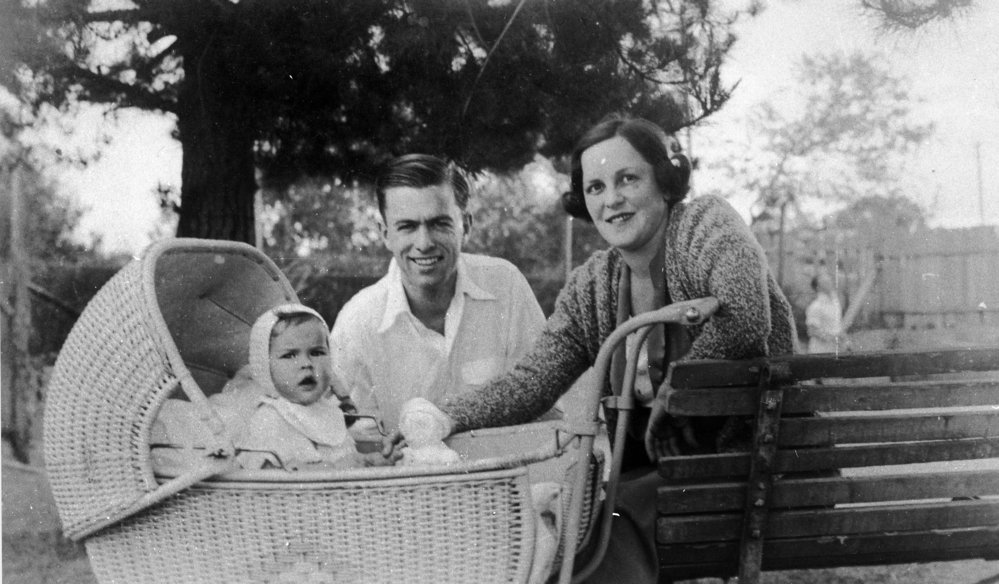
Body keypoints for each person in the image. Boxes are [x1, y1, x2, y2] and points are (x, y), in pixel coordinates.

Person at [394, 114, 797, 583]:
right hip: (661, 484)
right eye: (596, 187)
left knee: (600, 535)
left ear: (664, 182)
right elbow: (532, 382)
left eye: (628, 178)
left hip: (753, 470)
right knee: (564, 532)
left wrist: (673, 395)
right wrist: (445, 417)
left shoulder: (706, 225)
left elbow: (745, 317)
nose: (612, 200)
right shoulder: (594, 284)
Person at [329, 153, 549, 436]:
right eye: (407, 226)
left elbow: (546, 400)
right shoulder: (358, 320)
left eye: (439, 223)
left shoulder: (505, 285)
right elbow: (346, 436)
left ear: (465, 225)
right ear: (385, 234)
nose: (424, 243)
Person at [154, 304, 394, 470]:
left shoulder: (329, 411)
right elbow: (286, 475)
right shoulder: (271, 419)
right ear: (265, 368)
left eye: (317, 352)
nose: (307, 365)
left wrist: (365, 460)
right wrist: (344, 468)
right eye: (290, 356)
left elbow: (343, 457)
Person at [806, 270, 844, 354]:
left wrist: (844, 340)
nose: (830, 283)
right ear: (818, 287)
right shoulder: (815, 307)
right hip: (820, 351)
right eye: (825, 282)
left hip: (835, 350)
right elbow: (812, 331)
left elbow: (837, 325)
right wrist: (832, 338)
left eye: (829, 280)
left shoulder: (835, 303)